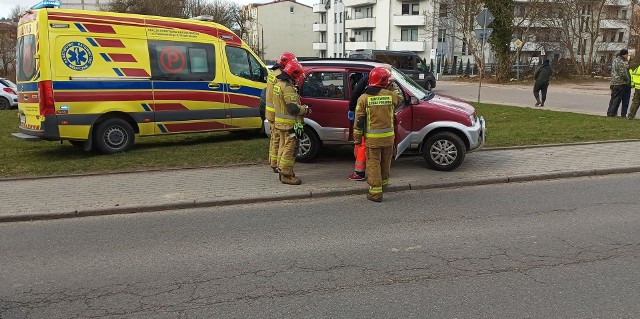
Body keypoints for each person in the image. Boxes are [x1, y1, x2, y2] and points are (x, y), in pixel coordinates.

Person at [353, 66, 402, 202]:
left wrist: (357, 139)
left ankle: (375, 193)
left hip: (373, 140)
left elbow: (359, 122)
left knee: (373, 164)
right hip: (388, 139)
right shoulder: (391, 95)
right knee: (386, 162)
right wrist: (390, 85)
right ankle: (384, 185)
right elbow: (400, 99)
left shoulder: (363, 98)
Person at [272, 60, 311, 185]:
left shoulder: (278, 84)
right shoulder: (288, 88)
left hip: (281, 123)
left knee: (283, 146)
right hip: (291, 124)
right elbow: (293, 108)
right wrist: (305, 109)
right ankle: (286, 174)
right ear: (293, 75)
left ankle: (281, 170)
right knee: (291, 148)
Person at [265, 52, 297, 173]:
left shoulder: (273, 74)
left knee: (275, 138)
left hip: (271, 111)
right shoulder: (280, 77)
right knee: (279, 139)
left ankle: (274, 163)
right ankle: (277, 165)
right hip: (277, 112)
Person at [347, 72, 369, 181]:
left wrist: (351, 108)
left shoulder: (364, 96)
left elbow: (355, 94)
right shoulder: (389, 91)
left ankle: (359, 172)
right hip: (377, 129)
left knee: (361, 144)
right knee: (363, 145)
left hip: (366, 125)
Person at [607, 49, 630, 117]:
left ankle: (609, 112)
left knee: (612, 99)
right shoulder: (621, 62)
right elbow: (622, 73)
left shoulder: (615, 60)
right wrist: (627, 79)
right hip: (619, 83)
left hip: (613, 82)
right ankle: (613, 114)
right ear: (624, 55)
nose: (627, 56)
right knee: (617, 100)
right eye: (627, 54)